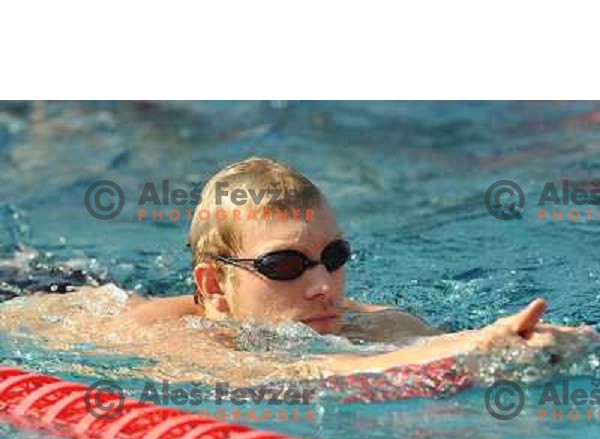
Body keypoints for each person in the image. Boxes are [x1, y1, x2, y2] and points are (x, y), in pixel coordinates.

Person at [122, 156, 597, 377]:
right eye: (284, 265)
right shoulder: (168, 336)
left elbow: (426, 346)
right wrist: (477, 344)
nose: (322, 285)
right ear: (215, 283)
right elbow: (304, 374)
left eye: (333, 258)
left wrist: (524, 342)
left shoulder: (381, 323)